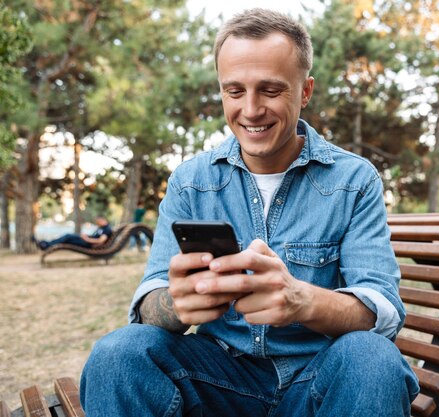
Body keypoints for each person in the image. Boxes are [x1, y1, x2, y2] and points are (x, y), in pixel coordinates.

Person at [80, 8, 419, 417]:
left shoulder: (353, 180)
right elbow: (149, 299)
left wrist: (304, 301)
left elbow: (382, 310)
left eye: (271, 90)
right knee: (117, 353)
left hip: (318, 378)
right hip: (215, 377)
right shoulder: (190, 181)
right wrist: (176, 305)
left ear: (306, 91)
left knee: (373, 357)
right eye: (234, 91)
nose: (251, 110)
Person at [33, 215, 112, 250]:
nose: (97, 222)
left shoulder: (107, 229)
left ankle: (46, 244)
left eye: (98, 221)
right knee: (67, 238)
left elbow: (101, 240)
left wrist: (87, 239)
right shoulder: (101, 228)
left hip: (88, 244)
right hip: (86, 240)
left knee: (68, 237)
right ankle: (45, 243)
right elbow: (96, 237)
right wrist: (86, 236)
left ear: (103, 220)